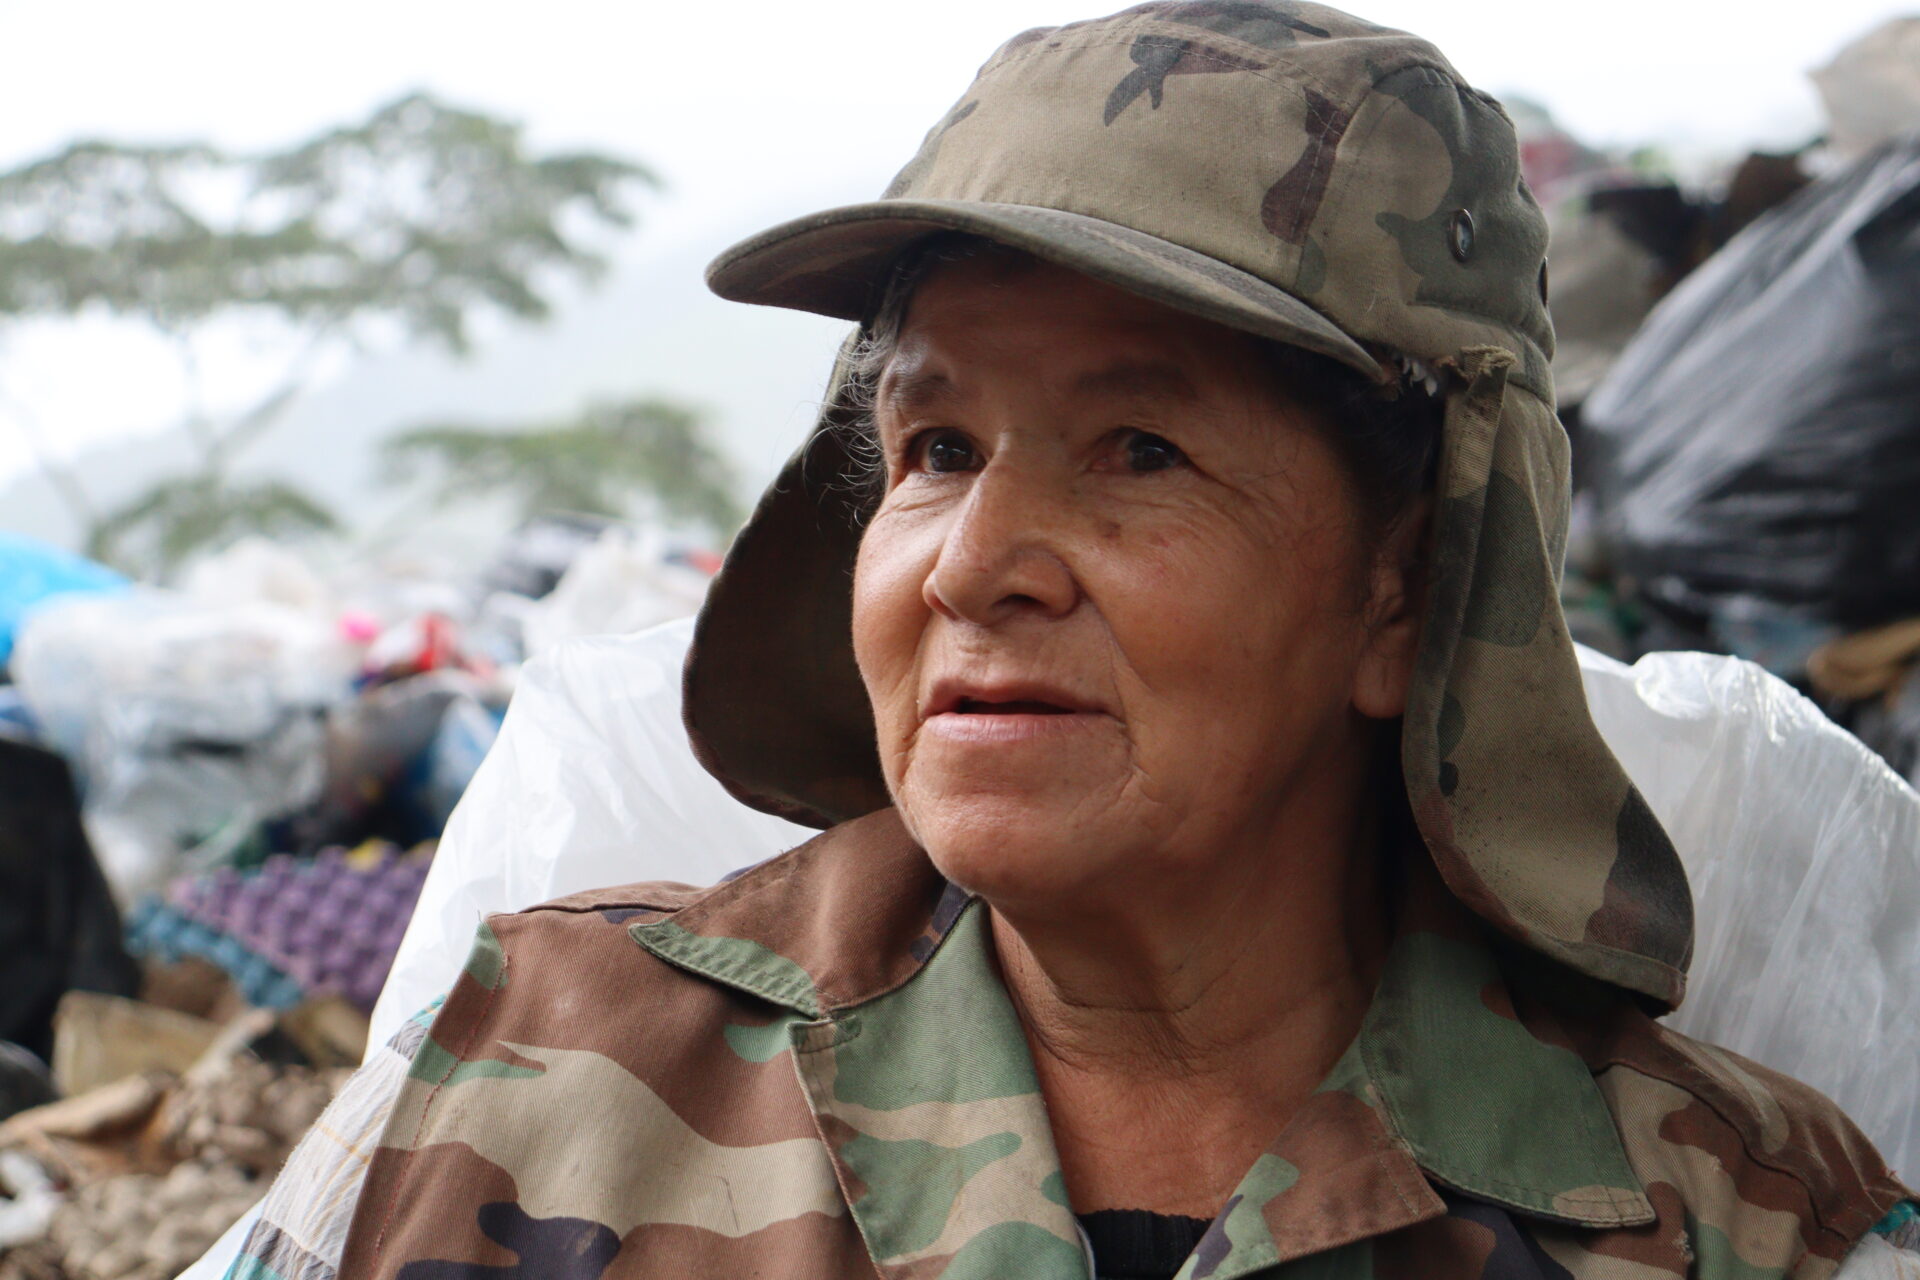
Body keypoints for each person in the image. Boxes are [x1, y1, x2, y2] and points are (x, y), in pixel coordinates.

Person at [219, 4, 1917, 1278]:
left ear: (1403, 590)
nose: (977, 567)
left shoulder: (1731, 1213)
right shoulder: (536, 1076)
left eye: (1141, 454)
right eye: (938, 450)